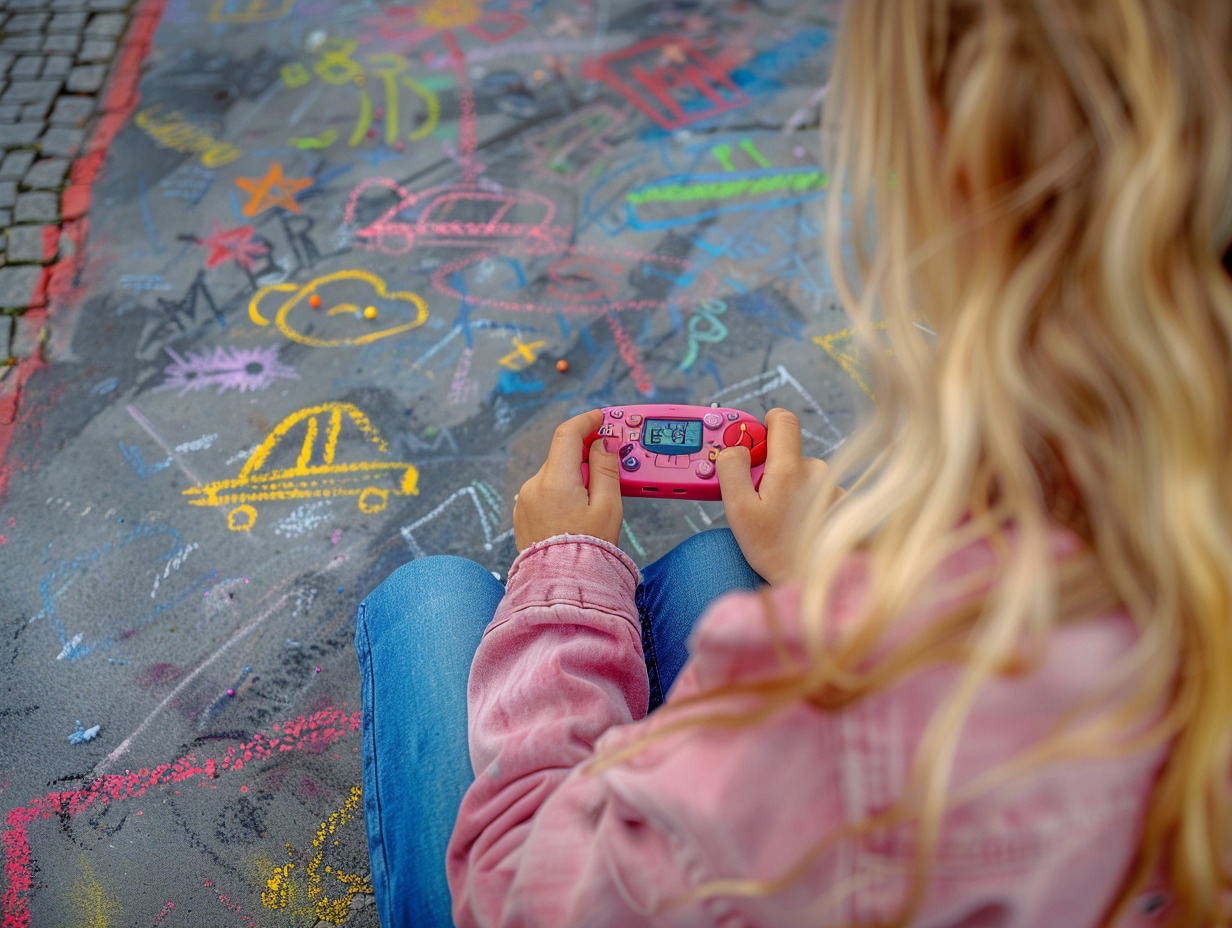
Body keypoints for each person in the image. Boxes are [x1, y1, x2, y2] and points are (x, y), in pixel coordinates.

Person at [355, 0, 1232, 924]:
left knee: (437, 604)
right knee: (712, 568)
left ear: (960, 163)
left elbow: (521, 897)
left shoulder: (838, 709)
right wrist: (841, 570)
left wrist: (560, 589)